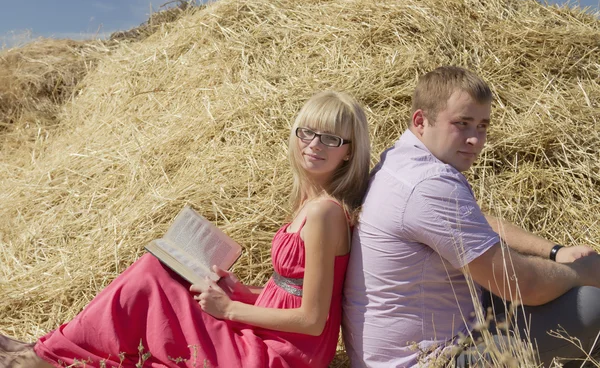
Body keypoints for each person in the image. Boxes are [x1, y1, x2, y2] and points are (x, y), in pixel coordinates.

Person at [0, 90, 371, 368]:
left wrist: (229, 309)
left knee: (150, 276)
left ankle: (44, 354)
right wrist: (243, 290)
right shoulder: (311, 203)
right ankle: (49, 348)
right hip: (270, 333)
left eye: (331, 139)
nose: (314, 145)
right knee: (158, 271)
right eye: (307, 132)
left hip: (280, 356)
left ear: (349, 152)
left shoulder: (325, 215)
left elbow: (311, 319)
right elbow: (291, 289)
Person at [342, 66, 600, 367]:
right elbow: (524, 285)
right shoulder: (427, 184)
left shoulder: (402, 159)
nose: (475, 140)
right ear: (421, 120)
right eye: (462, 124)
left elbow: (474, 221)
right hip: (427, 359)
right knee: (592, 304)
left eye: (482, 126)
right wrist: (584, 271)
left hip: (414, 341)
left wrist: (555, 252)